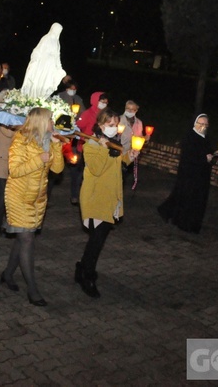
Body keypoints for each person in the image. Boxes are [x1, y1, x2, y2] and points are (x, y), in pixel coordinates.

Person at [1, 107, 64, 306]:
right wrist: (39, 159)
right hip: (19, 196)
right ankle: (32, 288)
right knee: (27, 239)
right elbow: (15, 170)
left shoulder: (46, 139)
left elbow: (57, 169)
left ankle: (7, 274)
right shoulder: (21, 140)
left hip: (37, 198)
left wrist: (56, 147)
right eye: (50, 119)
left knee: (22, 238)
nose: (53, 123)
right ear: (40, 122)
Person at [75, 109, 139, 298]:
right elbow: (96, 169)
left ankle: (82, 269)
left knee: (98, 240)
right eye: (110, 125)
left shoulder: (114, 143)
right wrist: (104, 149)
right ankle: (86, 275)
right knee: (96, 240)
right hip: (95, 198)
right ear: (101, 125)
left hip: (110, 197)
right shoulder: (92, 144)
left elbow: (117, 164)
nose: (113, 128)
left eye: (115, 125)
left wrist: (129, 157)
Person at [157, 114, 218, 233]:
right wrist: (204, 158)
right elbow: (189, 156)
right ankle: (182, 223)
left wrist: (215, 153)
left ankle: (192, 223)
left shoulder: (206, 138)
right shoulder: (189, 137)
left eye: (205, 124)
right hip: (189, 174)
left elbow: (207, 153)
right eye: (200, 124)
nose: (203, 126)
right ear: (195, 124)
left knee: (198, 200)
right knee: (186, 198)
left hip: (202, 175)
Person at [20, 23, 67, 99]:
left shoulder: (57, 43)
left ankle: (41, 97)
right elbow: (38, 50)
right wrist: (35, 60)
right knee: (39, 80)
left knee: (46, 82)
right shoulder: (46, 38)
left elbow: (57, 56)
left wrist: (59, 68)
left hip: (51, 67)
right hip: (42, 64)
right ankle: (33, 97)